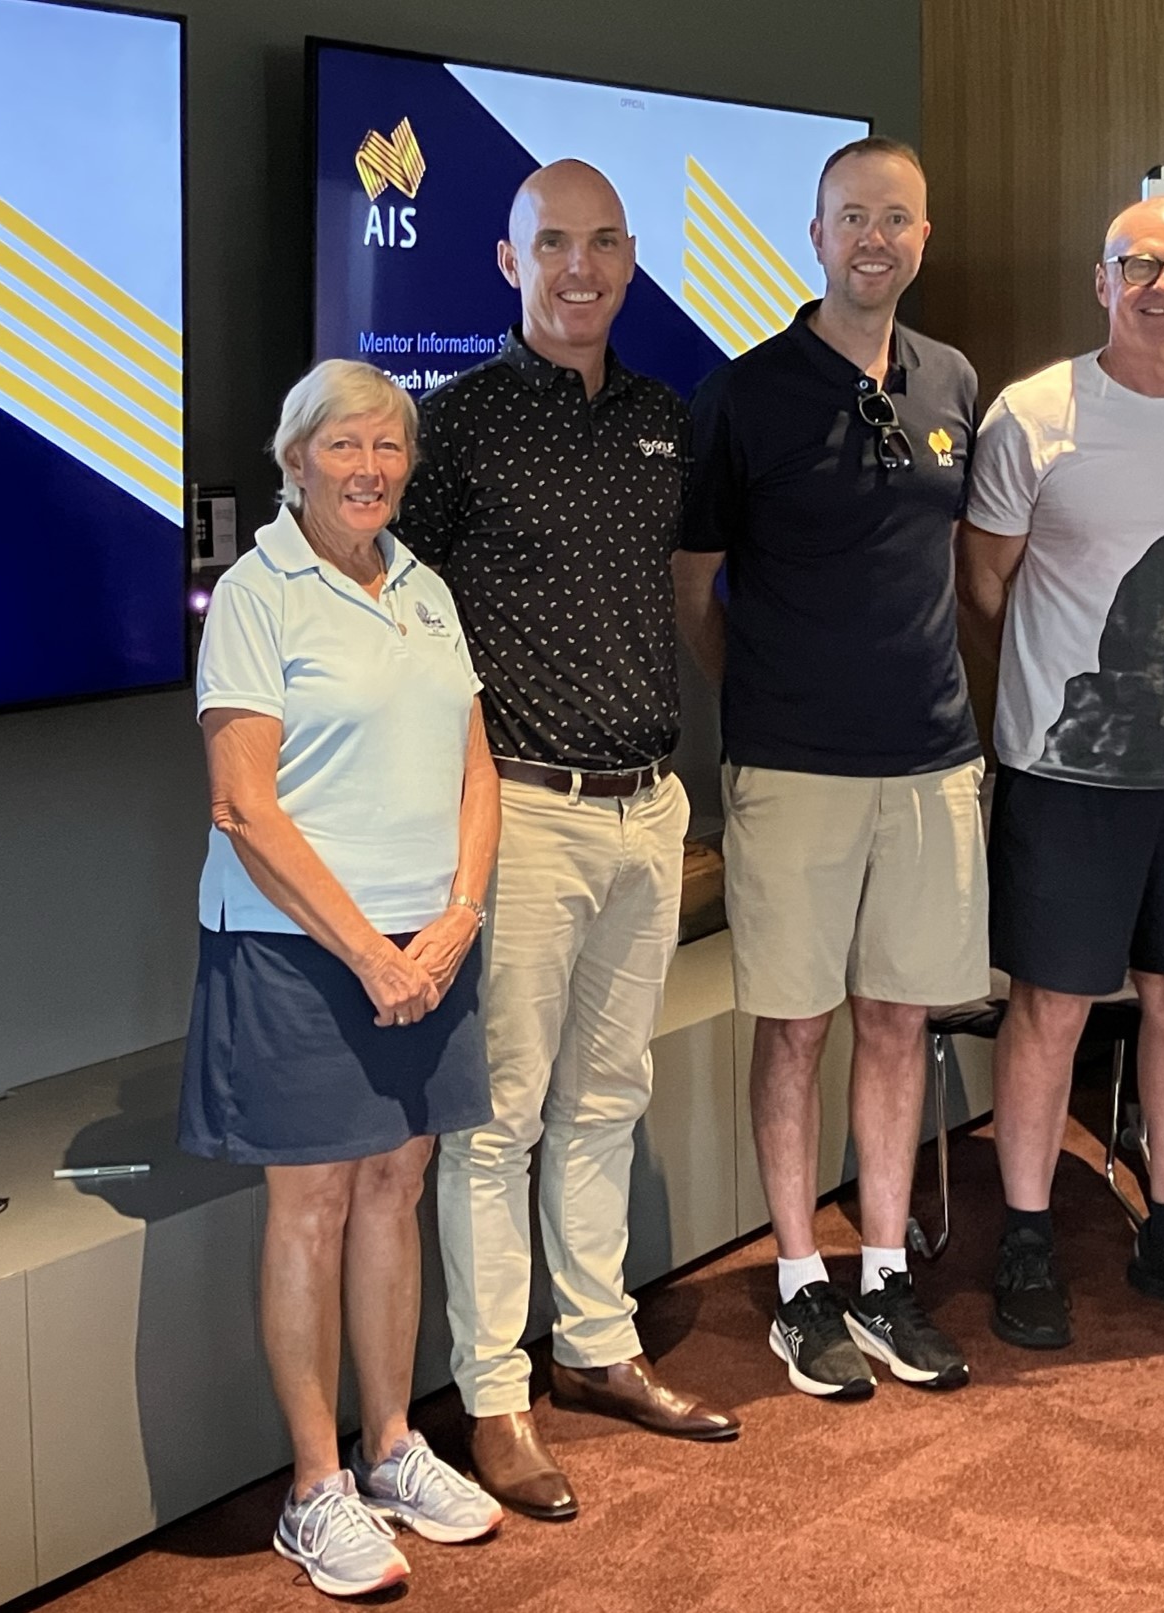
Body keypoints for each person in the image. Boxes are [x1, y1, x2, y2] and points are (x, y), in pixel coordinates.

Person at [398, 160, 736, 1525]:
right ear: (506, 261)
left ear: (632, 259)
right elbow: (396, 626)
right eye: (553, 245)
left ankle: (595, 1345)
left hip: (649, 806)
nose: (578, 269)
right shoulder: (452, 428)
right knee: (498, 1121)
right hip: (520, 811)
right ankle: (493, 1396)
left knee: (607, 1100)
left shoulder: (663, 419)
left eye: (602, 244)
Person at [182, 359, 504, 1597]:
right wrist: (369, 950)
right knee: (311, 1204)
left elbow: (477, 768)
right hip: (297, 954)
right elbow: (244, 808)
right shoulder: (259, 594)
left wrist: (457, 918)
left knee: (397, 1180)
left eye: (388, 447)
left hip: (428, 947)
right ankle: (314, 1485)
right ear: (295, 458)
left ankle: (392, 1446)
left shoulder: (423, 583)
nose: (369, 468)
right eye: (344, 447)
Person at [675, 136, 986, 1399]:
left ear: (923, 238)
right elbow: (696, 592)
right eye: (851, 217)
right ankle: (800, 1278)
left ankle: (882, 1272)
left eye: (896, 220)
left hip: (929, 759)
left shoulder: (953, 379)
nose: (874, 239)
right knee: (796, 1025)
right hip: (793, 766)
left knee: (899, 1016)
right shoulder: (743, 395)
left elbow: (961, 563)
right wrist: (766, 699)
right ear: (814, 235)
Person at [960, 196, 1164, 1349]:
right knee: (1049, 1005)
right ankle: (1029, 1234)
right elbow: (987, 583)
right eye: (1137, 263)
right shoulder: (1032, 415)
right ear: (1101, 281)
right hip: (1067, 773)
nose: (1162, 282)